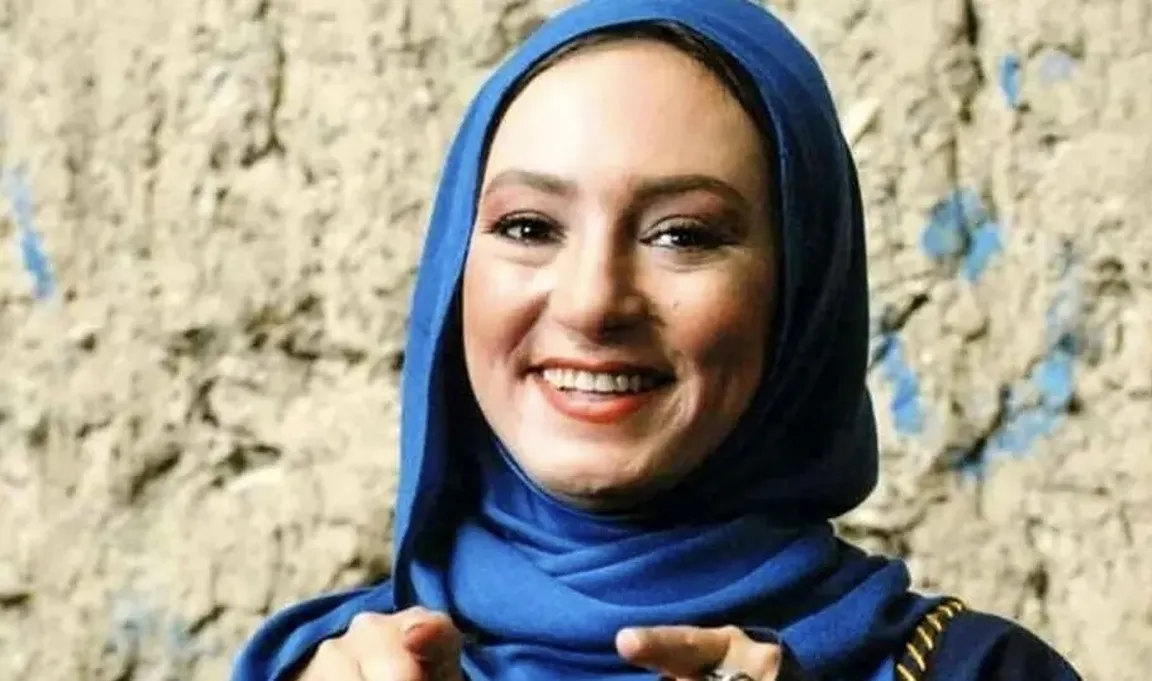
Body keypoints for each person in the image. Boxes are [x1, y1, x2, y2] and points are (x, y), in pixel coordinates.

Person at [231, 1, 1085, 679]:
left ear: (802, 293)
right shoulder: (323, 668)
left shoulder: (977, 670)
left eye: (683, 235)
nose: (593, 302)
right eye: (529, 226)